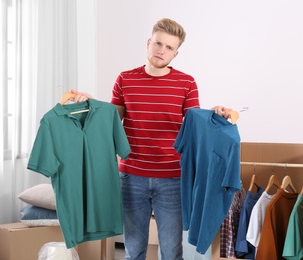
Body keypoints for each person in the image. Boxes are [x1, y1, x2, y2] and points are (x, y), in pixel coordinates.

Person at [71, 18, 231, 260]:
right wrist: (92, 104)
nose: (161, 50)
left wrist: (215, 113)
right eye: (158, 43)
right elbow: (112, 121)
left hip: (172, 179)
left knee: (171, 252)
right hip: (131, 176)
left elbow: (196, 125)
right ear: (148, 43)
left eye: (169, 47)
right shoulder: (125, 79)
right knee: (133, 251)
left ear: (175, 54)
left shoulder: (186, 83)